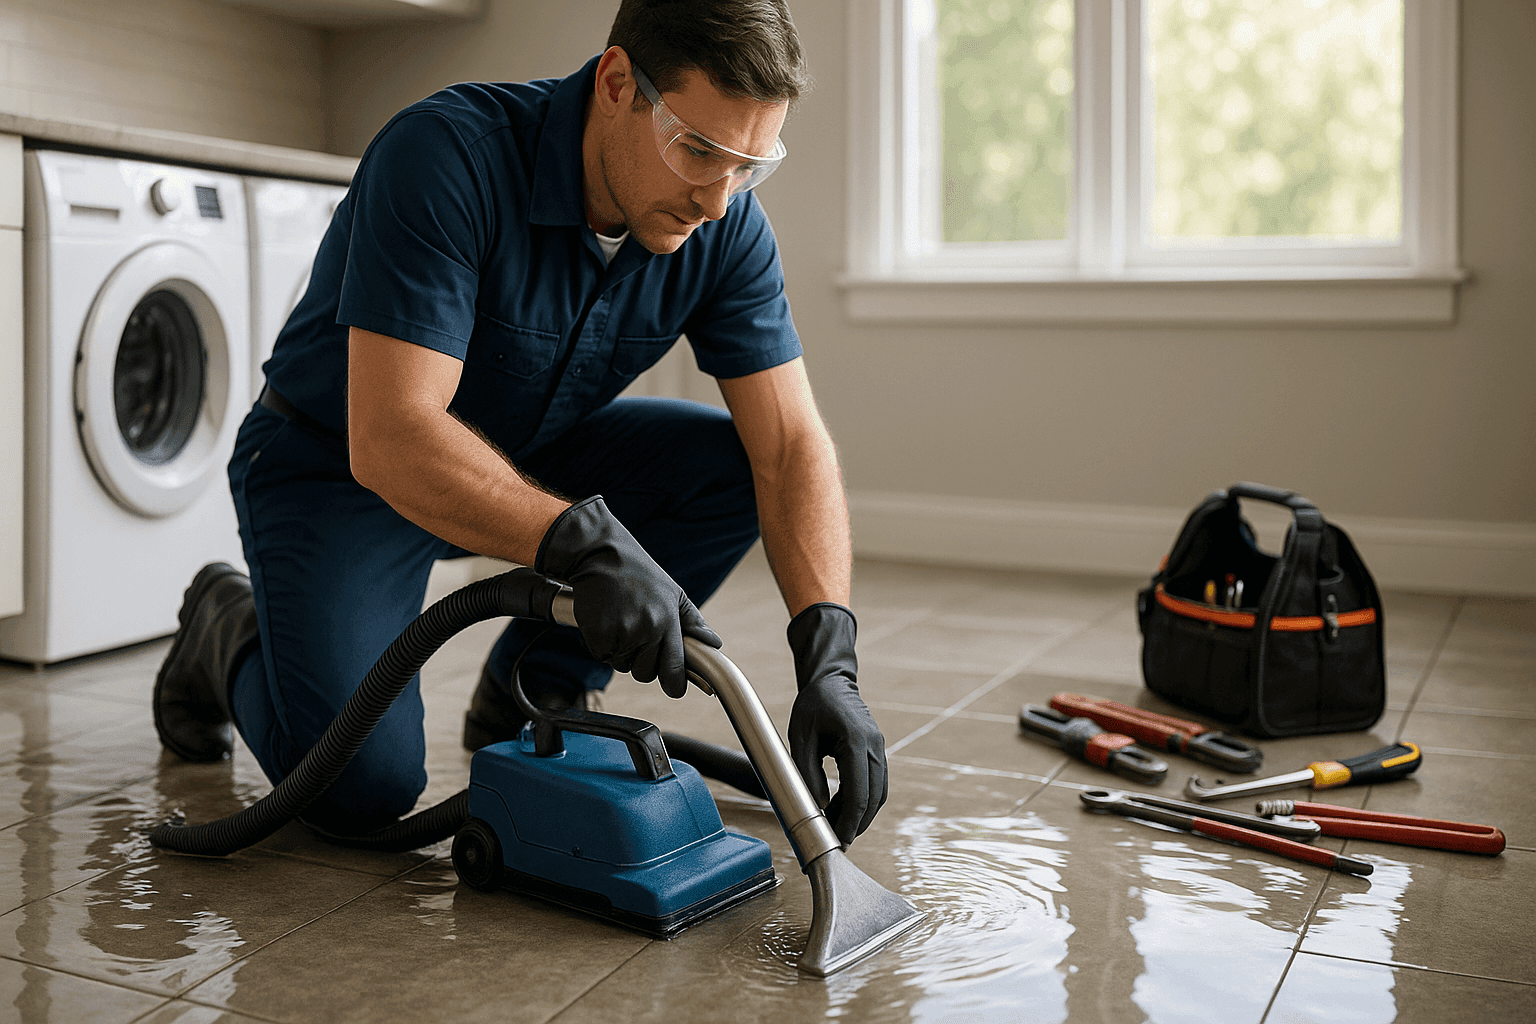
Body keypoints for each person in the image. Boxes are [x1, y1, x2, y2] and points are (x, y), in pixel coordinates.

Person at [151, 0, 887, 848]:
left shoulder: (722, 227)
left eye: (750, 167)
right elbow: (392, 436)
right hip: (339, 467)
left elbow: (791, 446)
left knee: (728, 469)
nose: (719, 202)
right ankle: (222, 625)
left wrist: (830, 653)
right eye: (699, 151)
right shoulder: (446, 156)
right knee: (361, 785)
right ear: (618, 85)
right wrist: (584, 546)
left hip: (524, 454)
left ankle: (532, 685)